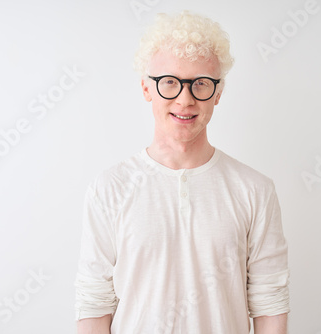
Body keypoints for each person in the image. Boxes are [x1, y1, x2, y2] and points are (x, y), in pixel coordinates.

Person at [74, 10, 290, 334]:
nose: (185, 99)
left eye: (200, 84)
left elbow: (270, 304)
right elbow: (93, 304)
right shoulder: (110, 189)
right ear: (147, 89)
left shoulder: (255, 190)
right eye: (170, 83)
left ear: (218, 93)